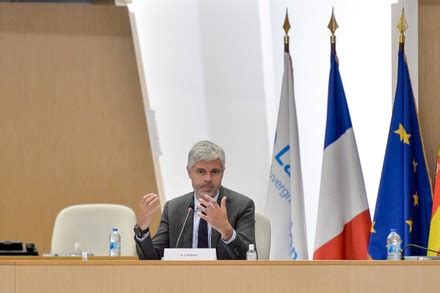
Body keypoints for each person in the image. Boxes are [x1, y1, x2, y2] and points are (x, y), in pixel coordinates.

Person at [134, 140, 256, 260]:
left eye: (215, 172)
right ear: (189, 172)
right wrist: (143, 229)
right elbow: (152, 260)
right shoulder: (173, 209)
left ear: (223, 172)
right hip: (182, 278)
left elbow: (249, 258)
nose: (208, 178)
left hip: (224, 279)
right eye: (201, 172)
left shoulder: (242, 206)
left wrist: (226, 230)